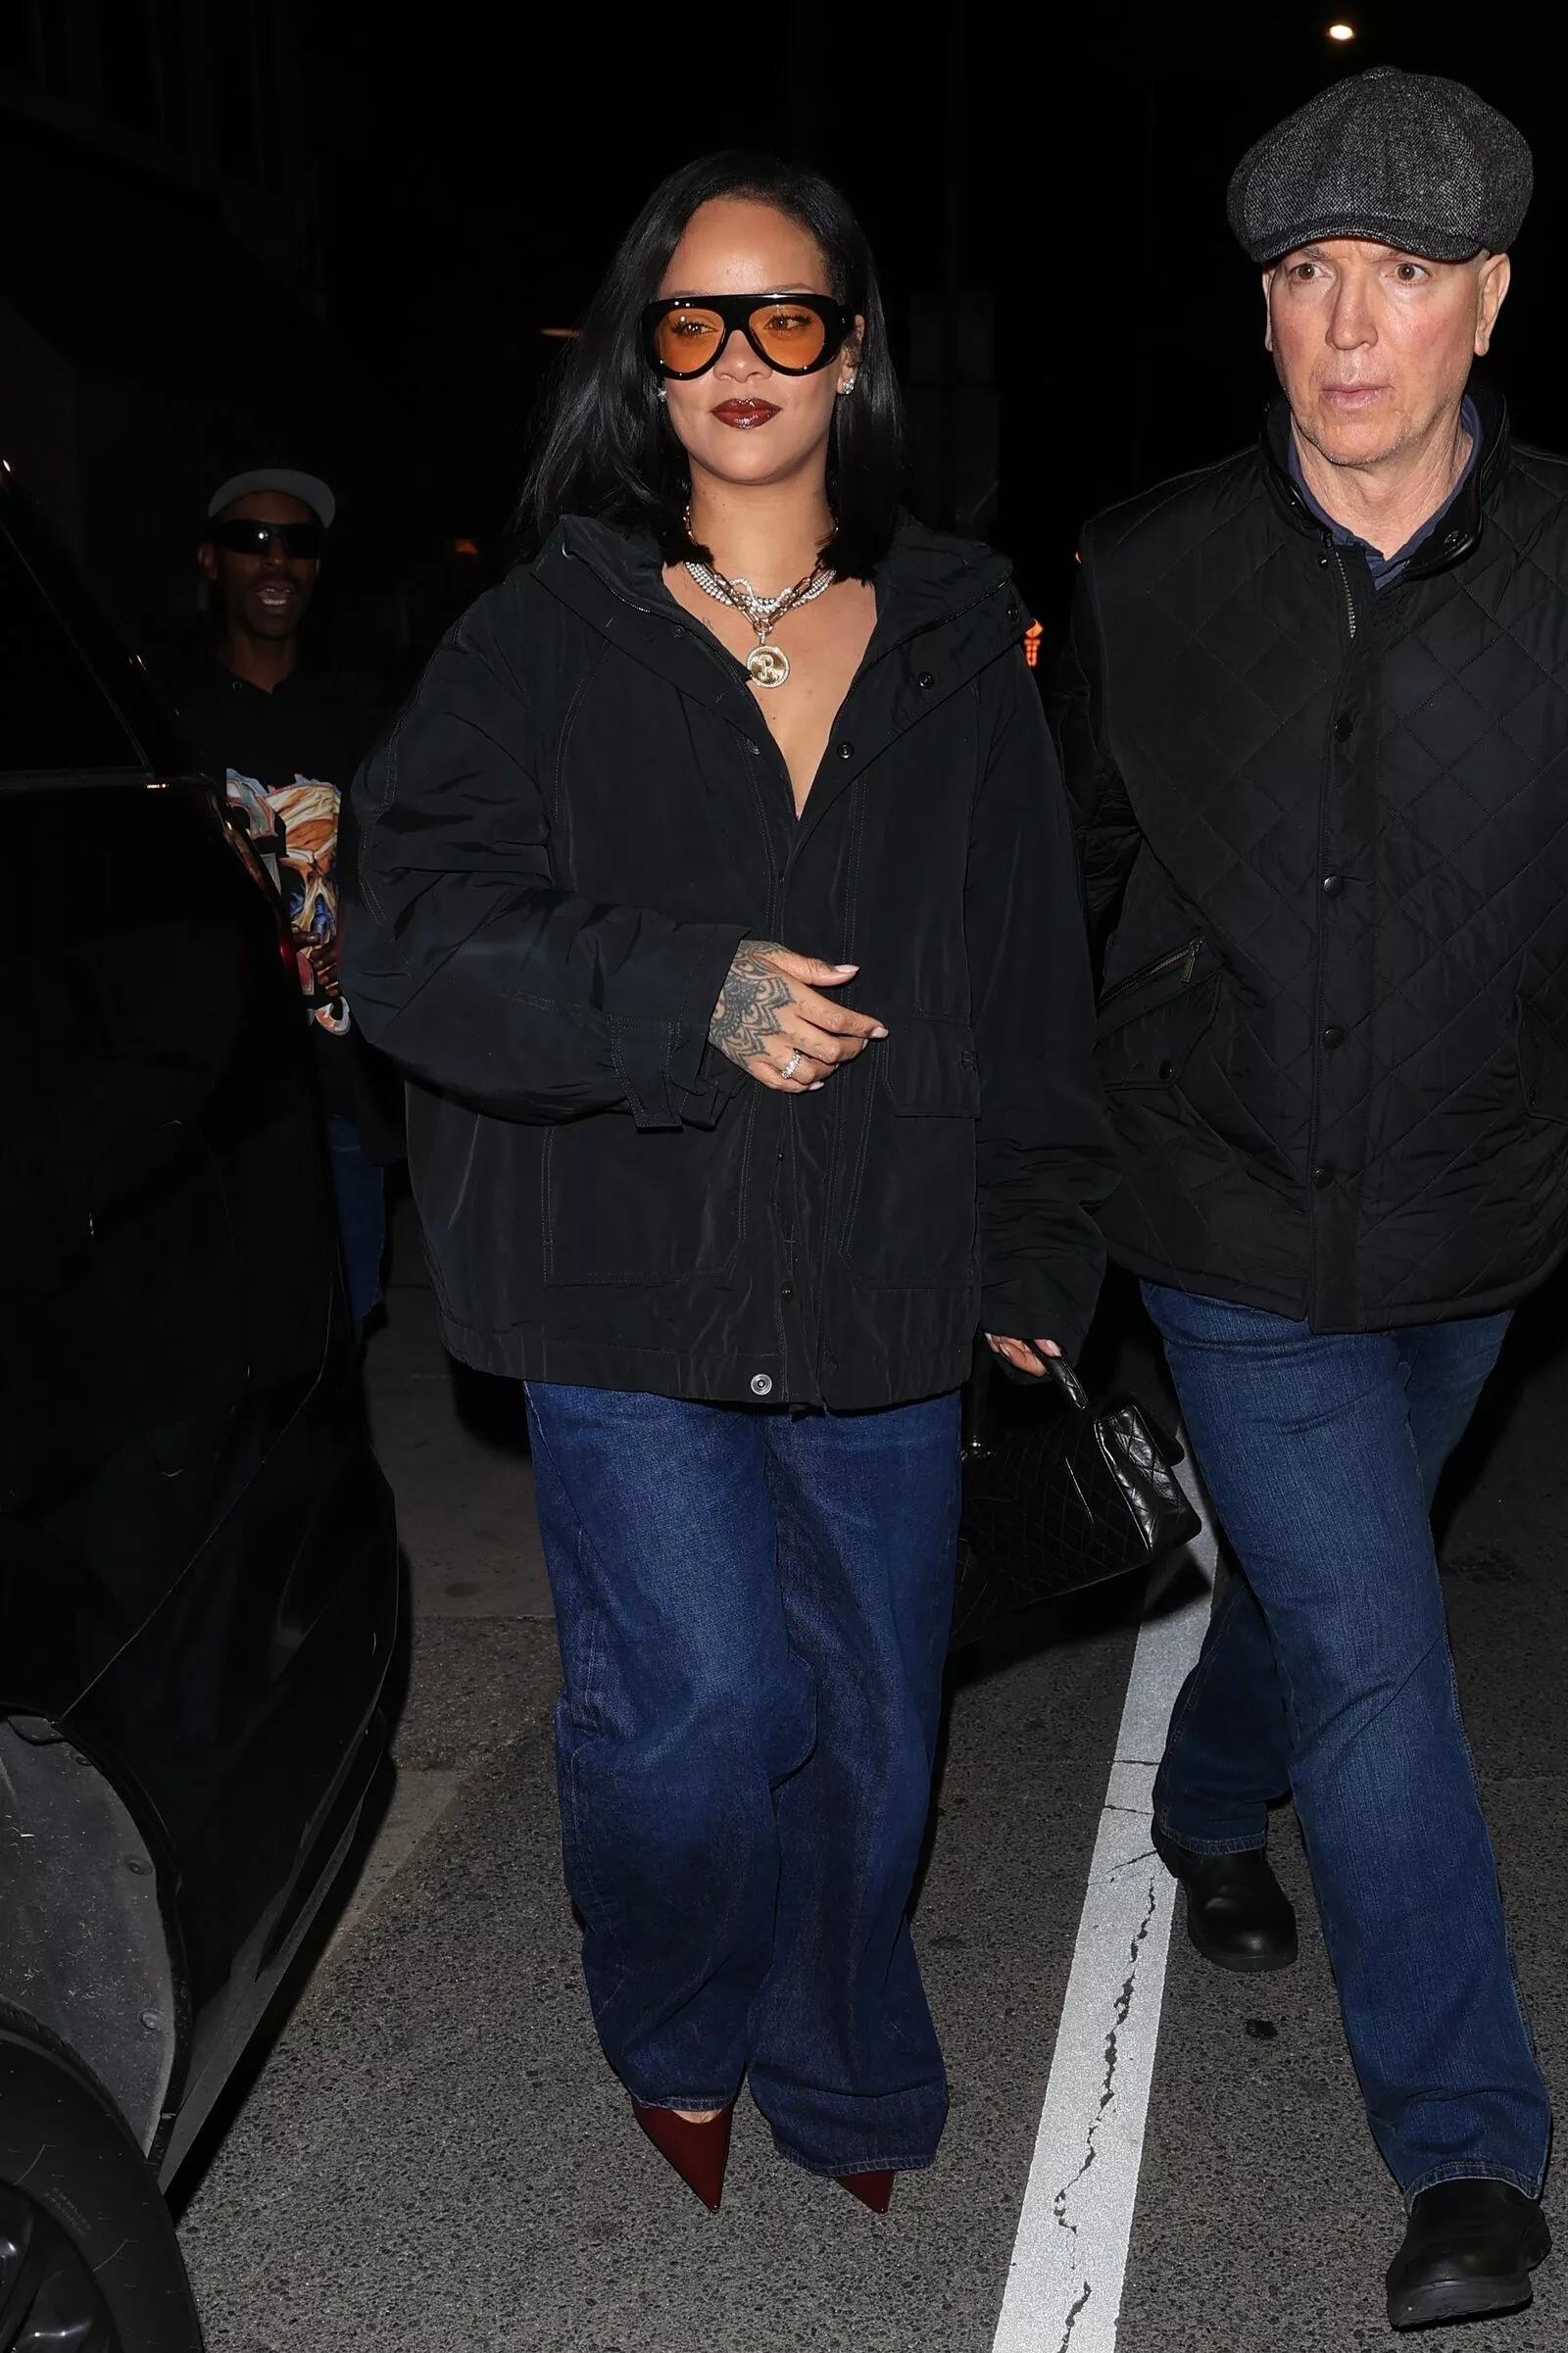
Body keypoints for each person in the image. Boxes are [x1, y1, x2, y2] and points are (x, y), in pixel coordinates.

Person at [344, 152, 1114, 2213]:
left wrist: (1041, 1243)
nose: (740, 356)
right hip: (625, 1271)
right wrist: (677, 988)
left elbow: (1029, 974)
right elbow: (405, 933)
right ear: (645, 361)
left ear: (850, 353)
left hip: (885, 1269)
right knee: (698, 1711)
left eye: (787, 315)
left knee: (868, 1730)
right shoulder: (543, 638)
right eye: (694, 321)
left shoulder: (955, 639)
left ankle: (840, 2057)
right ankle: (677, 2018)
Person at [1055, 66, 1557, 2332]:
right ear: (1259, 308)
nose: (1347, 322)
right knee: (1375, 1644)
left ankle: (1197, 1797)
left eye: (1403, 272)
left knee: (1306, 1595)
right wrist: (1030, 1189)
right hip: (1228, 1212)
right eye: (1302, 273)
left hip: (1471, 1214)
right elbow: (1061, 891)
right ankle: (1466, 2152)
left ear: (1487, 304)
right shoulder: (1145, 571)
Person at [174, 466, 401, 1334]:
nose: (277, 562)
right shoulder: (169, 718)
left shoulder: (369, 719)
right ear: (211, 560)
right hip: (213, 1084)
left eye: (298, 544)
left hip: (340, 1077)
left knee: (345, 1311)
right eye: (253, 540)